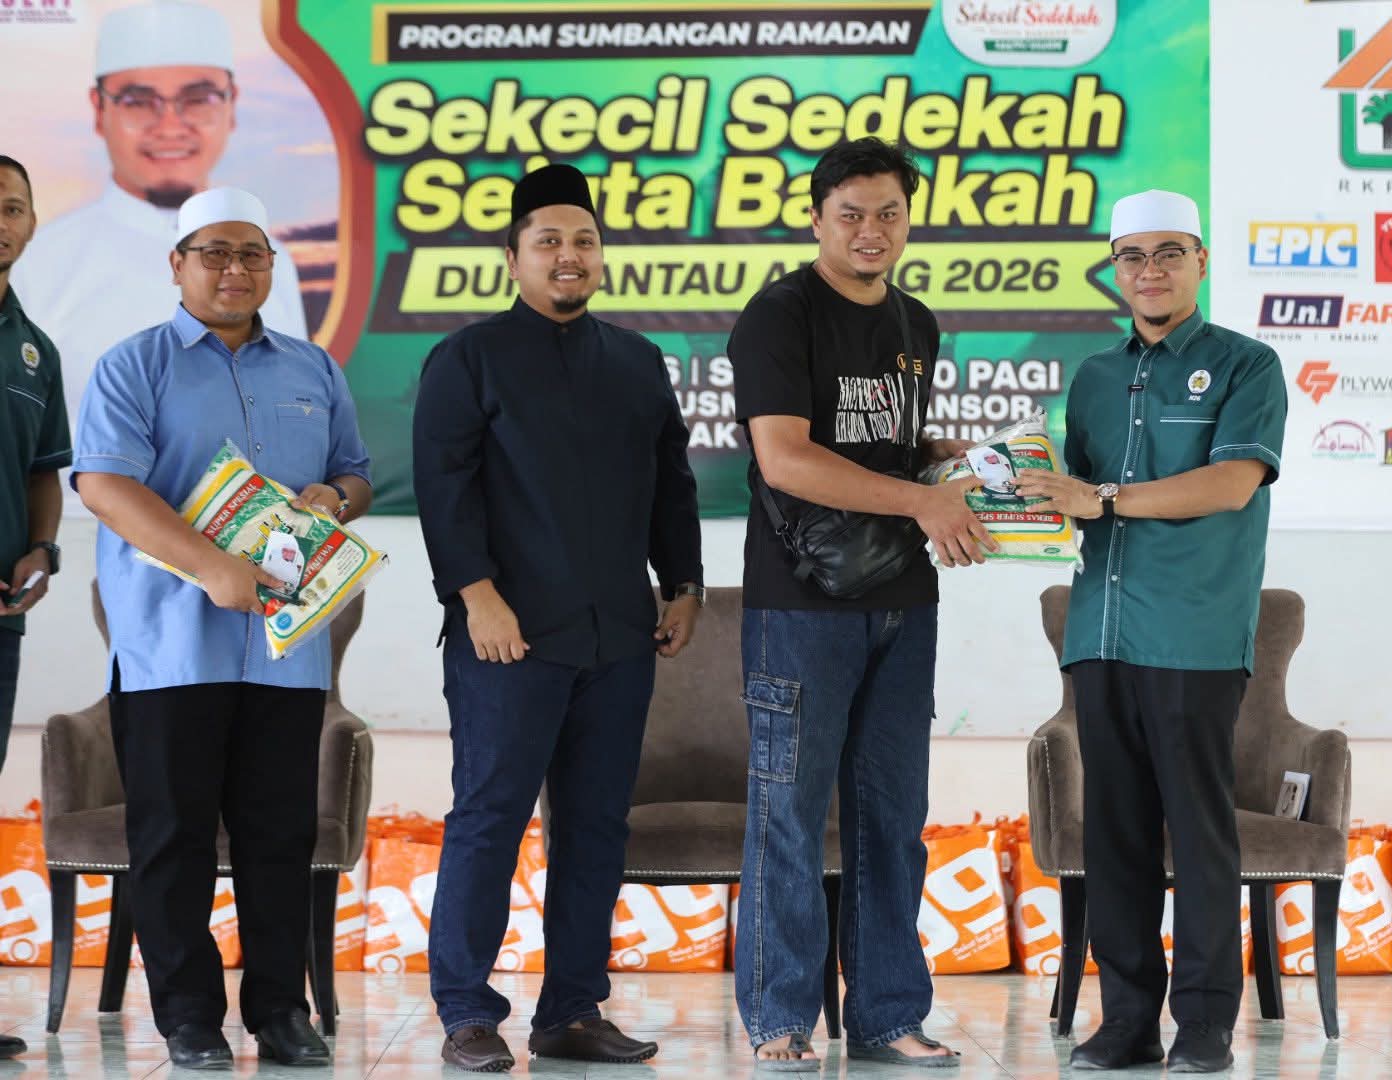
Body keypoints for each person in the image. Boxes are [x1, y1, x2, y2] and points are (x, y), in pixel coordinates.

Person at [413, 164, 704, 1074]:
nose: (568, 255)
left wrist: (684, 583)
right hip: (508, 636)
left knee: (596, 827)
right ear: (513, 257)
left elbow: (671, 482)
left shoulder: (637, 361)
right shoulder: (467, 358)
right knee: (490, 819)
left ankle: (572, 1011)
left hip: (619, 636)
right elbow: (443, 487)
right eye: (548, 241)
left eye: (583, 240)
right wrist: (476, 595)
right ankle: (467, 1012)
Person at [73, 186, 371, 1070]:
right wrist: (209, 565)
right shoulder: (135, 366)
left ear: (272, 267)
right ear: (178, 265)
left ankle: (280, 1012)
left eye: (251, 254)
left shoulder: (313, 369)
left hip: (286, 649)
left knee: (280, 836)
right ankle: (189, 1018)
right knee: (173, 837)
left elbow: (356, 474)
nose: (234, 269)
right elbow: (105, 486)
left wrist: (333, 498)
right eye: (214, 253)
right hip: (171, 647)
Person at [728, 137, 994, 1070]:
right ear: (817, 220)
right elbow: (785, 459)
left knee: (893, 820)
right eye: (851, 215)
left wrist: (944, 462)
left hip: (904, 597)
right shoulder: (779, 315)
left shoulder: (916, 321)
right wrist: (922, 499)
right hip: (800, 604)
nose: (871, 231)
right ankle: (779, 1018)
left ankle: (887, 1016)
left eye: (888, 213)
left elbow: (886, 444)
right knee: (789, 815)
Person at [1014, 189, 1286, 1074]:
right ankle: (1127, 1020)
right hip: (1099, 631)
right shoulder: (1094, 377)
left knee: (1199, 833)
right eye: (1132, 256)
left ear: (1201, 261)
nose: (1150, 270)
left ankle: (1202, 1024)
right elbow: (1074, 505)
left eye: (1170, 252)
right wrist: (995, 489)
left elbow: (1231, 484)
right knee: (1116, 835)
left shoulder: (1247, 365)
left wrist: (1098, 497)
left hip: (1193, 633)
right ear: (1114, 271)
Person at [12, 0, 306, 462]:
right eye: (138, 101)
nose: (170, 126)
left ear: (232, 105)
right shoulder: (37, 263)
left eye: (198, 98)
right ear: (99, 109)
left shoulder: (273, 262)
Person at [0, 153, 74, 1064]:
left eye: (14, 207)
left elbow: (41, 472)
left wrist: (42, 550)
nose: (1, 221)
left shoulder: (35, 350)